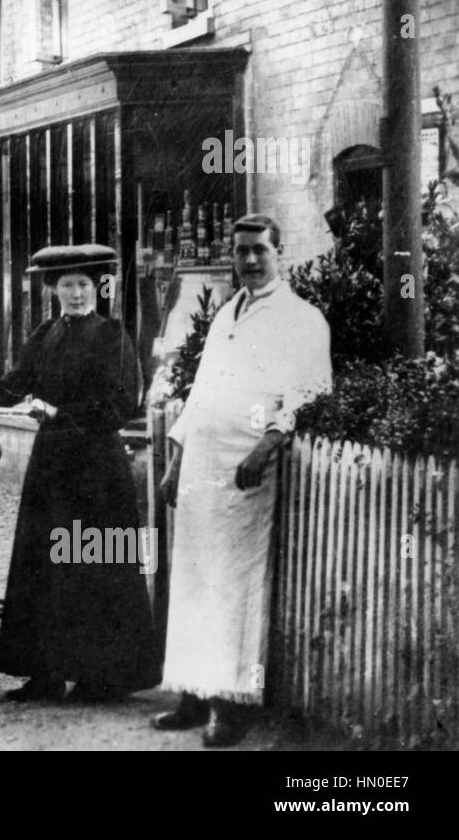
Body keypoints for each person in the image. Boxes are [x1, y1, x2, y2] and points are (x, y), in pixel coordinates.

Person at [0, 244, 159, 702]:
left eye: (83, 285)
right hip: (52, 464)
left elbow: (120, 405)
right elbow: (15, 384)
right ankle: (45, 672)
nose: (75, 294)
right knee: (45, 566)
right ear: (53, 290)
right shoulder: (45, 334)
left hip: (96, 469)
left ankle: (102, 676)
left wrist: (57, 411)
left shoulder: (112, 336)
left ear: (97, 289)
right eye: (66, 286)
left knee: (93, 563)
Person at [153, 213, 331, 746]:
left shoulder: (302, 319)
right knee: (193, 581)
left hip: (245, 468)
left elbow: (310, 391)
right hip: (201, 464)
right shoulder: (226, 312)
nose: (250, 260)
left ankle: (230, 707)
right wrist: (175, 459)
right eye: (242, 252)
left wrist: (266, 445)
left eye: (260, 250)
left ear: (281, 252)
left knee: (233, 586)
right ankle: (190, 692)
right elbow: (202, 390)